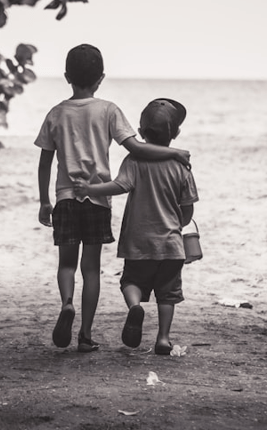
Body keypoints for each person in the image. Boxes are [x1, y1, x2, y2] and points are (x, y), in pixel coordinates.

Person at [36, 44, 190, 353]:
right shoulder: (108, 110)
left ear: (66, 77)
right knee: (91, 268)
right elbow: (137, 148)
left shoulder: (55, 113)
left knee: (67, 264)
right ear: (101, 78)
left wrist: (44, 201)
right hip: (96, 202)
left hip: (66, 199)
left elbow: (45, 163)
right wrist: (174, 152)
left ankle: (67, 303)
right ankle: (85, 335)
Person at [72, 97, 198, 355]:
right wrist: (181, 223)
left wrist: (90, 189)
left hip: (138, 241)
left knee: (131, 281)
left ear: (140, 132)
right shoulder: (181, 166)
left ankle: (135, 307)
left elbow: (120, 186)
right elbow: (187, 207)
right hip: (171, 244)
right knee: (168, 294)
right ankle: (163, 339)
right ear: (176, 134)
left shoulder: (134, 160)